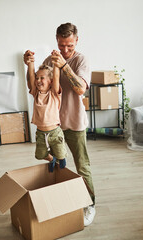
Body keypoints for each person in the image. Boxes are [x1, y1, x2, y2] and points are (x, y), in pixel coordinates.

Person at [23, 22, 96, 226]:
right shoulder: (48, 60)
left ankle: (89, 204)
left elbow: (81, 89)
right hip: (52, 126)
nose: (65, 50)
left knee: (82, 166)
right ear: (57, 40)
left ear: (76, 41)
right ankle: (60, 201)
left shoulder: (81, 60)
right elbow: (35, 86)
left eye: (69, 46)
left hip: (74, 123)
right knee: (55, 166)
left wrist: (64, 65)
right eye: (62, 45)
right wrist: (28, 63)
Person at [25, 58, 67, 172]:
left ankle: (60, 159)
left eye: (42, 78)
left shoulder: (54, 94)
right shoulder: (35, 93)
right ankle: (51, 159)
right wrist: (31, 63)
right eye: (37, 78)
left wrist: (56, 65)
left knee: (61, 158)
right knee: (39, 155)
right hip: (41, 134)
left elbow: (57, 77)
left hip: (55, 133)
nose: (38, 80)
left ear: (51, 81)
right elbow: (32, 76)